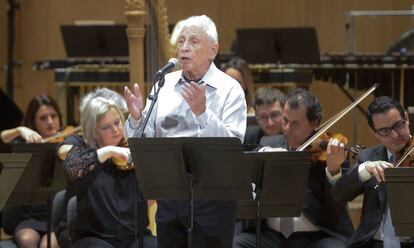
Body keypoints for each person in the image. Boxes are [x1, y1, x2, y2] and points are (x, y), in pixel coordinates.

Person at [124, 15, 246, 248]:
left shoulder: (230, 90)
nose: (184, 48)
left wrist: (203, 114)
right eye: (180, 42)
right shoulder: (165, 84)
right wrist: (138, 117)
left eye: (193, 41)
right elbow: (143, 142)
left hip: (213, 200)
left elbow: (232, 149)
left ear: (213, 50)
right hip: (170, 196)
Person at [233, 88, 353, 248]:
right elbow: (245, 171)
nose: (287, 129)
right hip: (271, 235)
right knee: (235, 243)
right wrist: (264, 154)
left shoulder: (332, 154)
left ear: (314, 123)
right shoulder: (269, 143)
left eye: (295, 123)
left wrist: (333, 171)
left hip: (317, 236)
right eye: (285, 120)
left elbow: (335, 211)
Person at [57, 91, 157, 248]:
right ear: (93, 131)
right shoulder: (82, 150)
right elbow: (73, 166)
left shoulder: (132, 147)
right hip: (94, 238)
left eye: (117, 122)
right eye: (106, 127)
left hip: (136, 237)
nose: (116, 130)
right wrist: (109, 151)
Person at [332, 96, 414, 248]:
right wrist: (364, 169)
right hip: (373, 243)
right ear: (374, 133)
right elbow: (338, 194)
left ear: (406, 119)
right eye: (384, 131)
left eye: (398, 125)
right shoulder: (368, 157)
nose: (395, 135)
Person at [1, 94, 61, 248]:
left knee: (48, 245)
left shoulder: (69, 143)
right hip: (31, 216)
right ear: (33, 122)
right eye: (43, 118)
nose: (50, 122)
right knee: (27, 240)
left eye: (53, 116)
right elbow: (3, 138)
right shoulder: (25, 145)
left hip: (58, 217)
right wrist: (19, 130)